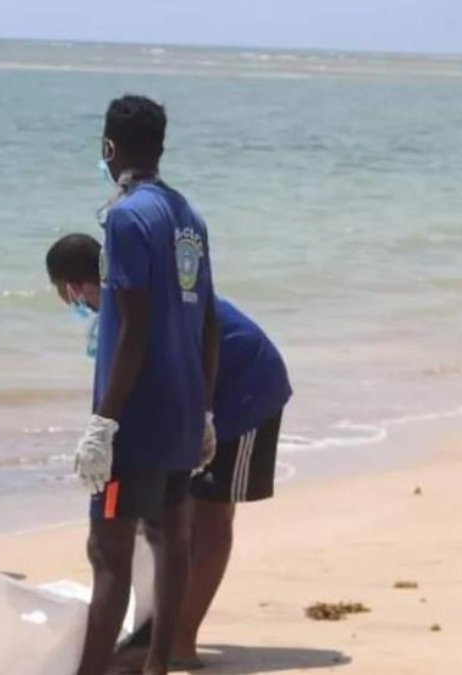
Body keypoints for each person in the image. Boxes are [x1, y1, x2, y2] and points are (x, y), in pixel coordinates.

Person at [46, 233, 293, 671]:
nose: (70, 304)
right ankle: (163, 632)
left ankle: (181, 642)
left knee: (212, 518)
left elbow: (171, 360)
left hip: (245, 390)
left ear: (73, 286)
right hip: (202, 395)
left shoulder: (133, 300)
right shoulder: (119, 301)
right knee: (181, 518)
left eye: (63, 295)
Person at [68, 95, 219, 675]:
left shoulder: (128, 218)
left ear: (109, 147)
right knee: (170, 540)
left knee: (108, 552)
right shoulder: (189, 217)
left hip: (136, 419)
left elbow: (133, 328)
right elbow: (207, 321)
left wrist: (104, 422)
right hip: (182, 412)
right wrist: (204, 410)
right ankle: (158, 665)